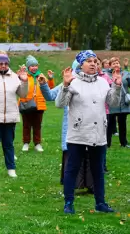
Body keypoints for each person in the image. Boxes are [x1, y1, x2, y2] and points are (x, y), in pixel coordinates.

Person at [56, 50, 121, 214]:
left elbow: (112, 103)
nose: (93, 63)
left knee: (98, 169)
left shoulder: (103, 82)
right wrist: (64, 86)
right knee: (72, 169)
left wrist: (117, 86)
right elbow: (59, 103)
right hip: (78, 134)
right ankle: (68, 203)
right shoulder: (73, 82)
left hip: (98, 133)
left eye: (95, 61)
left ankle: (100, 203)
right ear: (81, 65)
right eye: (89, 61)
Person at [39, 60, 94, 193]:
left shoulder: (96, 82)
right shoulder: (68, 83)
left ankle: (92, 185)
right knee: (73, 153)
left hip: (91, 125)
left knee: (91, 153)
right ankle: (75, 184)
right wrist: (44, 84)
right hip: (73, 126)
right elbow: (51, 96)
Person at [19, 55, 55, 152]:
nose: (34, 67)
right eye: (32, 66)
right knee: (26, 125)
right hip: (25, 104)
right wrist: (20, 76)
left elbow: (49, 89)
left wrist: (50, 79)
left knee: (37, 125)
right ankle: (26, 143)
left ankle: (37, 143)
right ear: (28, 67)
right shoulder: (24, 76)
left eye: (35, 65)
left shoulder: (41, 76)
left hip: (39, 105)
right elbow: (18, 87)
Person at [106, 57, 130, 148]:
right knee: (109, 124)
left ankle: (123, 143)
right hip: (112, 103)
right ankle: (107, 143)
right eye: (113, 63)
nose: (116, 65)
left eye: (117, 63)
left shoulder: (125, 74)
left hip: (123, 104)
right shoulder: (107, 75)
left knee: (122, 124)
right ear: (110, 65)